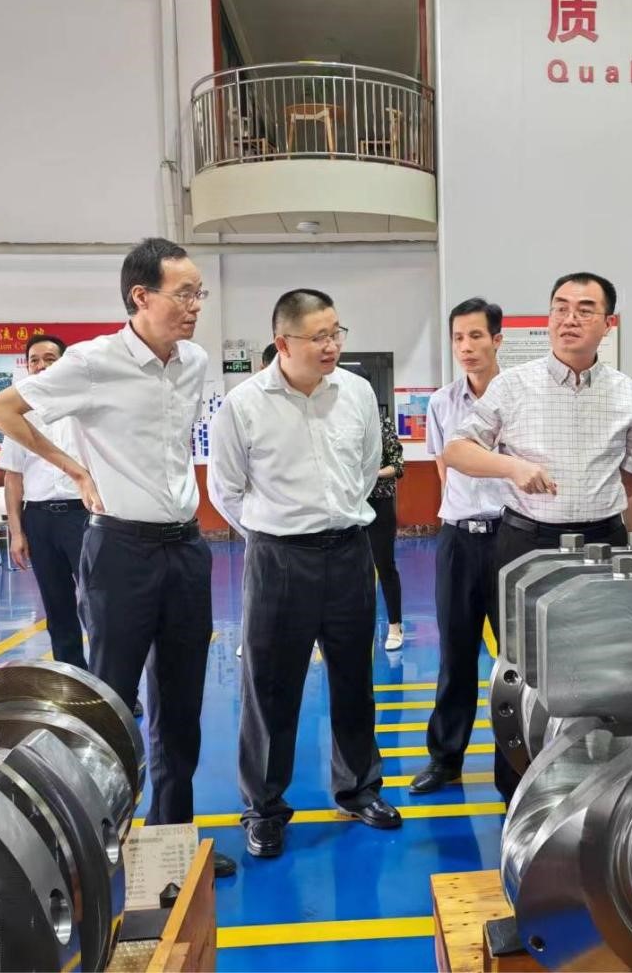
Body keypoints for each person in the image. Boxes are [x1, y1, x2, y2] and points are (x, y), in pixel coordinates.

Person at [0, 237, 236, 878]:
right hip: (120, 550)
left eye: (200, 293)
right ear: (140, 296)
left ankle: (171, 843)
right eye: (184, 294)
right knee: (112, 704)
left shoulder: (194, 361)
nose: (195, 306)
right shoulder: (94, 362)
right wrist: (73, 468)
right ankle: (103, 845)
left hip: (185, 547)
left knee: (182, 703)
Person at [208, 288, 401, 860]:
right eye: (319, 336)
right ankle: (265, 808)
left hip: (348, 554)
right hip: (278, 560)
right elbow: (225, 490)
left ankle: (358, 789)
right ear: (283, 342)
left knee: (354, 679)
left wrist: (333, 517)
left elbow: (366, 468)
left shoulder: (357, 393)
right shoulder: (243, 405)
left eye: (336, 332)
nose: (332, 345)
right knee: (270, 687)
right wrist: (272, 535)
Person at [443, 272, 632, 802]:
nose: (569, 319)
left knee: (600, 664)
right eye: (560, 307)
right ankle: (516, 789)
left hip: (603, 545)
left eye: (584, 309)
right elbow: (457, 451)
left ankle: (595, 778)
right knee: (522, 670)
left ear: (608, 323)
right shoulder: (513, 385)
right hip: (528, 544)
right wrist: (511, 467)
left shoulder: (626, 392)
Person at [410, 298, 507, 795]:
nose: (466, 347)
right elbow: (443, 467)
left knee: (518, 659)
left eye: (476, 336)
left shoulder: (520, 397)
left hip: (512, 537)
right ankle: (446, 758)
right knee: (455, 653)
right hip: (458, 540)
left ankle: (519, 759)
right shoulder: (441, 403)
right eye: (458, 338)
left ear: (497, 339)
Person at [0, 334, 90, 670]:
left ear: (63, 364)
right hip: (40, 519)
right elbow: (13, 479)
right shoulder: (17, 417)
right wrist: (16, 533)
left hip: (83, 516)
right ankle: (73, 677)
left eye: (50, 359)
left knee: (97, 601)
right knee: (56, 604)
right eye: (34, 360)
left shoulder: (84, 409)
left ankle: (109, 681)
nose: (41, 366)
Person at [347, 364, 406, 651]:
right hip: (348, 505)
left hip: (379, 502)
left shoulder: (383, 425)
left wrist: (371, 474)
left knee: (385, 565)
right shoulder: (339, 423)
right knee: (348, 569)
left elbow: (398, 465)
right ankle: (354, 626)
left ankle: (395, 626)